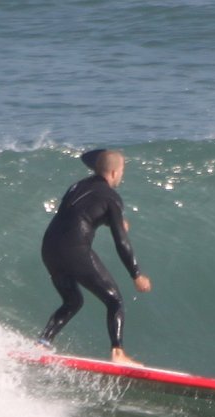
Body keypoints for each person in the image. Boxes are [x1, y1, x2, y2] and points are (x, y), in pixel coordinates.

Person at [37, 149, 152, 365]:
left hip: (49, 248)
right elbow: (121, 242)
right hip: (75, 250)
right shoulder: (112, 197)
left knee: (72, 301)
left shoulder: (77, 186)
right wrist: (136, 274)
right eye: (122, 171)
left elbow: (79, 213)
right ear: (115, 172)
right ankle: (118, 353)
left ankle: (42, 342)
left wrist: (113, 221)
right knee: (115, 301)